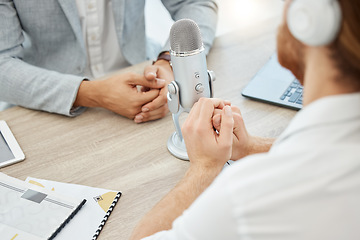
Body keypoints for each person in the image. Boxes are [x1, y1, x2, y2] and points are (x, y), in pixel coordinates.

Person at [130, 0, 360, 239]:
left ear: (308, 17)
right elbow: (321, 150)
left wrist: (204, 167)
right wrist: (251, 147)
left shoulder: (245, 200)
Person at [0, 0, 217, 123]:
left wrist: (169, 61)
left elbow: (196, 3)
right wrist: (89, 93)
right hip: (48, 103)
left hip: (148, 85)